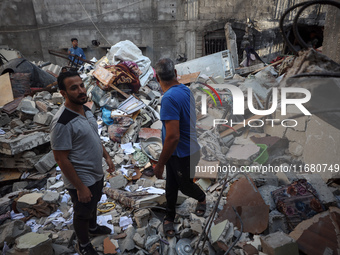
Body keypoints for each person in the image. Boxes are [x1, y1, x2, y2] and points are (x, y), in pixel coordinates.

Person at [50, 71, 115, 255]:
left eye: (81, 85)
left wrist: (107, 156)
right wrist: (79, 187)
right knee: (82, 211)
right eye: (73, 88)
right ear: (63, 93)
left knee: (93, 202)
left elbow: (94, 136)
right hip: (80, 177)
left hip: (95, 171)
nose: (80, 90)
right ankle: (84, 244)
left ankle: (93, 227)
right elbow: (60, 159)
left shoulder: (85, 108)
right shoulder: (61, 122)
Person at [153, 58, 206, 238]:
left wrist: (160, 164)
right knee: (171, 185)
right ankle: (169, 216)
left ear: (157, 78)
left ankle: (202, 197)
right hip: (183, 151)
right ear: (175, 73)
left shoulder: (168, 98)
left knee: (185, 187)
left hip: (184, 154)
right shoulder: (185, 89)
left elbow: (173, 136)